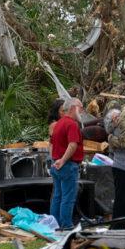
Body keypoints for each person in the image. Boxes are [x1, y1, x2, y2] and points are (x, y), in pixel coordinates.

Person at [49, 98, 84, 231]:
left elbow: (51, 144)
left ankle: (55, 224)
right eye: (80, 107)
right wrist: (63, 160)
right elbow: (73, 144)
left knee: (57, 195)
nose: (82, 111)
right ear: (73, 108)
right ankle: (66, 225)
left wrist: (55, 160)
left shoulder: (58, 124)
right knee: (68, 197)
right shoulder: (72, 124)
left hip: (57, 164)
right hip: (67, 165)